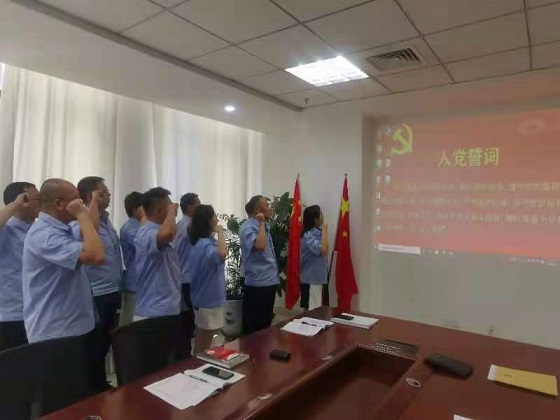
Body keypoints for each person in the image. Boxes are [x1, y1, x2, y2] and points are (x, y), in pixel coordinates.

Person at [22, 178, 106, 391]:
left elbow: (92, 231)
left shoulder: (63, 228)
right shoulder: (44, 235)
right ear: (59, 204)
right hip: (56, 333)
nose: (80, 204)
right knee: (63, 398)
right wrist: (81, 214)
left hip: (76, 326)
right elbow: (96, 255)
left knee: (83, 393)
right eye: (76, 199)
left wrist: (84, 215)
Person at [71, 176, 123, 384]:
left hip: (112, 289)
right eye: (102, 193)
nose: (108, 195)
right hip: (97, 292)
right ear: (88, 196)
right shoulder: (82, 220)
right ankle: (94, 385)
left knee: (106, 340)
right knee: (95, 344)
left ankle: (100, 382)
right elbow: (88, 234)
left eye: (107, 192)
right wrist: (92, 202)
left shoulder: (106, 219)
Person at [0, 182, 40, 351]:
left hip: (35, 313)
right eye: (37, 198)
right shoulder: (6, 230)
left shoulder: (36, 231)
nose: (41, 203)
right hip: (11, 316)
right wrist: (14, 206)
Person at [133, 187, 182, 321]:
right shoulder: (146, 233)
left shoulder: (156, 230)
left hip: (167, 310)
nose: (174, 209)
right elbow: (168, 234)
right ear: (160, 211)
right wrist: (171, 211)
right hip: (153, 313)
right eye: (169, 206)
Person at [189, 205, 227, 353]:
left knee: (210, 342)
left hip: (210, 300)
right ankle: (197, 365)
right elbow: (222, 253)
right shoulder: (204, 245)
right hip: (206, 302)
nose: (217, 220)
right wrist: (220, 232)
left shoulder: (206, 242)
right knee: (203, 343)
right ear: (208, 221)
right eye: (214, 217)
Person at [239, 195, 279, 335]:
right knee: (254, 327)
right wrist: (261, 223)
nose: (270, 208)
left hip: (268, 281)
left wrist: (262, 224)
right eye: (266, 205)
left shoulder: (263, 226)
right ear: (257, 210)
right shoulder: (248, 227)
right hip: (257, 283)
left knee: (265, 324)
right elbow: (260, 246)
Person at [175, 193, 200, 349]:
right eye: (198, 204)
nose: (200, 207)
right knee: (192, 319)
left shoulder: (180, 225)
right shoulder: (189, 227)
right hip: (189, 278)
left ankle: (186, 352)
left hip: (185, 277)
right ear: (190, 207)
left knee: (188, 318)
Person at [119, 191, 145, 325]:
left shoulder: (140, 226)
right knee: (130, 323)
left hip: (142, 283)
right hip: (134, 283)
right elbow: (144, 244)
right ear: (136, 209)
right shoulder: (130, 228)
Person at [300, 205, 329, 311]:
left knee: (320, 311)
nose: (323, 216)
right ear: (315, 219)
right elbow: (323, 250)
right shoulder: (308, 235)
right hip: (312, 280)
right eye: (321, 214)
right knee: (312, 312)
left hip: (319, 278)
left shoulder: (318, 233)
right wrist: (324, 230)